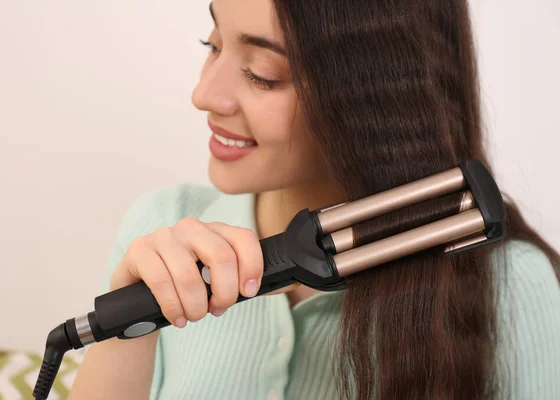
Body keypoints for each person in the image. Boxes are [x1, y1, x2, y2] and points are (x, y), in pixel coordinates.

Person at [69, 0, 560, 399]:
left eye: (263, 73)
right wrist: (125, 323)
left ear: (373, 96)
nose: (204, 94)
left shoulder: (514, 288)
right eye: (212, 44)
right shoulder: (163, 228)